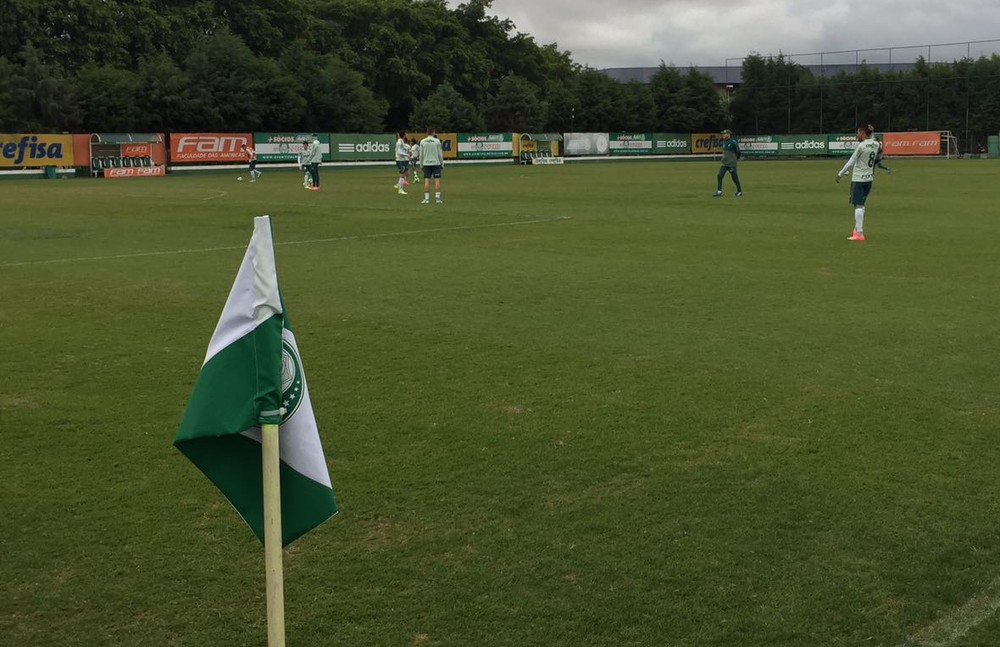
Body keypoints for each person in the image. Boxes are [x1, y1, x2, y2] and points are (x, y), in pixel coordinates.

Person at [836, 124, 881, 241]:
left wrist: (840, 174)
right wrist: (871, 132)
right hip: (869, 179)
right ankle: (857, 229)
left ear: (863, 133)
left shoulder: (861, 146)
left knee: (858, 205)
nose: (857, 135)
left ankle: (859, 233)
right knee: (861, 204)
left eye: (858, 133)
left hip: (859, 179)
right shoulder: (876, 144)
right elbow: (873, 141)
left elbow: (851, 162)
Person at [713, 129, 742, 197]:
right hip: (725, 163)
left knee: (734, 177)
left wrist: (734, 160)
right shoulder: (723, 142)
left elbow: (738, 152)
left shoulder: (733, 142)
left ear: (728, 134)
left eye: (724, 134)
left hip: (731, 164)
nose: (723, 135)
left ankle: (739, 191)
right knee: (719, 175)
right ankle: (719, 191)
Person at [419, 128, 444, 204]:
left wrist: (421, 164)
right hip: (436, 163)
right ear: (433, 132)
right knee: (437, 181)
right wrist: (442, 163)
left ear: (427, 132)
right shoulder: (437, 141)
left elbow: (421, 154)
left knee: (427, 181)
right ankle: (438, 199)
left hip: (426, 163)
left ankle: (427, 199)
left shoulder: (422, 141)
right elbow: (440, 154)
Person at [394, 130, 410, 195]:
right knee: (402, 175)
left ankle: (399, 185)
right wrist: (407, 155)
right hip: (400, 160)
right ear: (404, 135)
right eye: (405, 134)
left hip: (402, 160)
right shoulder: (399, 142)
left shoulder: (401, 141)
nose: (406, 135)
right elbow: (399, 152)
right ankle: (400, 190)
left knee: (406, 173)